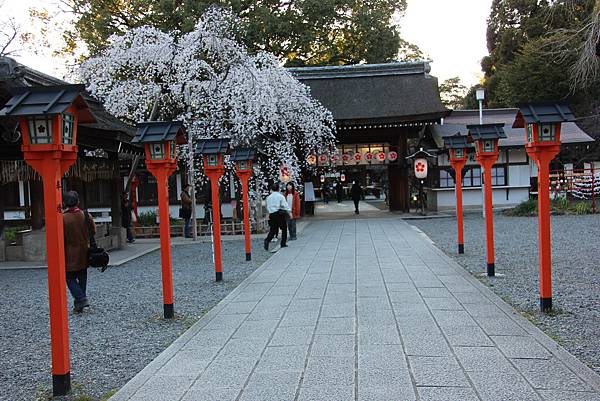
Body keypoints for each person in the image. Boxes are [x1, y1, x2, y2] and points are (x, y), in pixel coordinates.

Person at [63, 191, 96, 313]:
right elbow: (93, 231)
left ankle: (81, 299)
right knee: (82, 277)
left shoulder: (62, 218)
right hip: (84, 251)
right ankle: (80, 304)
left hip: (69, 252)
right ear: (78, 202)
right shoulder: (86, 215)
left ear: (65, 203)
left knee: (69, 278)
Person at [264, 182, 291, 252]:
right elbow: (285, 205)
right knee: (284, 228)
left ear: (272, 189)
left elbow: (267, 206)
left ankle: (267, 240)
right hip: (279, 214)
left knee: (273, 230)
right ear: (278, 189)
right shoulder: (280, 196)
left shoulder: (269, 197)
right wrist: (289, 212)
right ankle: (283, 243)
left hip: (272, 214)